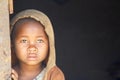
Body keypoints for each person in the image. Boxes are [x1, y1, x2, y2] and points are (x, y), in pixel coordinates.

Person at [10, 9, 65, 80]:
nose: (32, 48)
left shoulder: (54, 75)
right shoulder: (7, 73)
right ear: (12, 45)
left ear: (49, 45)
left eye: (39, 41)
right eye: (24, 41)